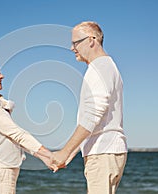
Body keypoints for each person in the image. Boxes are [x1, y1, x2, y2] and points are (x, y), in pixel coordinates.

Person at [52, 21, 128, 194]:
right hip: (106, 151)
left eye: (75, 43)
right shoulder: (105, 67)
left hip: (103, 152)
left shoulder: (100, 68)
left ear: (91, 40)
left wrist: (65, 152)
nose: (72, 48)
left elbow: (93, 115)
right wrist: (71, 155)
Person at [0, 56, 56, 194]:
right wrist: (48, 155)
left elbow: (13, 138)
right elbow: (17, 134)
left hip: (1, 171)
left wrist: (45, 157)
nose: (2, 76)